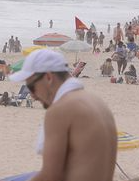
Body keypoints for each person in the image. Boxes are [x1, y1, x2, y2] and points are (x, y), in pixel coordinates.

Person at [8, 50, 116, 181]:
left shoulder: (60, 110)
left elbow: (51, 177)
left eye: (31, 87)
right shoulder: (97, 103)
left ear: (48, 77)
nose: (33, 95)